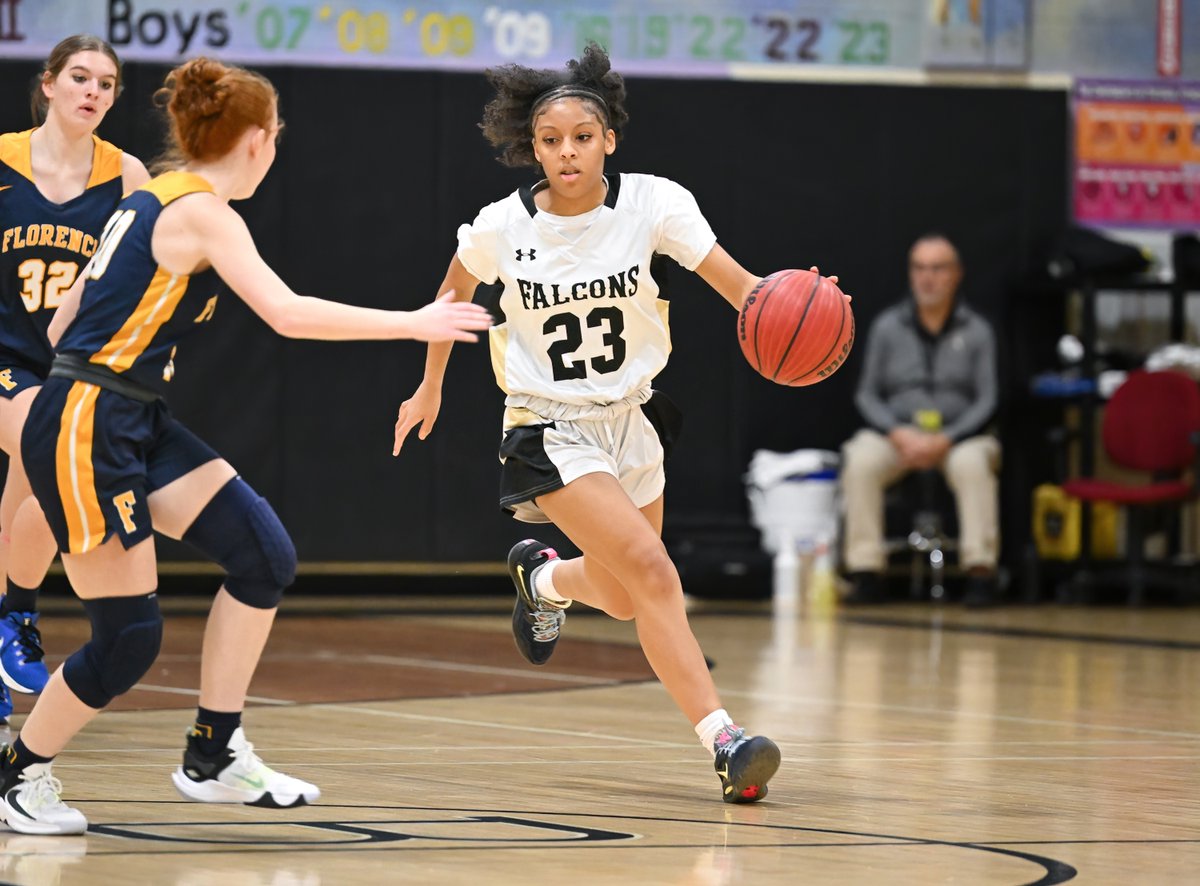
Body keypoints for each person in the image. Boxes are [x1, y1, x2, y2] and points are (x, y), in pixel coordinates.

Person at [0, 56, 492, 836]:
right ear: (259, 140)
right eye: (277, 136)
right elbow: (287, 314)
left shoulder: (150, 196)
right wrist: (414, 322)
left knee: (263, 556)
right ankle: (19, 776)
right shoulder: (202, 213)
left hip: (124, 411)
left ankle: (214, 751)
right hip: (90, 424)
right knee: (127, 639)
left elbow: (63, 324)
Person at [393, 44, 839, 804]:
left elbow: (743, 289)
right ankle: (726, 742)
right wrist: (428, 384)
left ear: (610, 139)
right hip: (547, 426)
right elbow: (452, 295)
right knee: (657, 575)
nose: (567, 153)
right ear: (531, 149)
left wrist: (797, 309)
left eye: (582, 137)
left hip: (632, 421)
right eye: (550, 140)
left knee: (626, 594)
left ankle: (543, 579)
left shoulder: (655, 205)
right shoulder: (501, 228)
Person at [0, 36, 150, 727]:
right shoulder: (2, 159)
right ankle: (17, 615)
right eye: (80, 77)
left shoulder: (127, 178)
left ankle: (7, 620)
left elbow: (149, 273)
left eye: (107, 83)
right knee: (42, 443)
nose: (93, 91)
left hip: (71, 363)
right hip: (5, 357)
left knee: (36, 485)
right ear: (49, 85)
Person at [840, 233, 1001, 607]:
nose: (928, 277)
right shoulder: (886, 327)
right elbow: (866, 393)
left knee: (974, 463)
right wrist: (896, 433)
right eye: (920, 268)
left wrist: (949, 437)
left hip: (958, 437)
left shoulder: (978, 330)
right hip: (898, 436)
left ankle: (980, 570)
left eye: (938, 268)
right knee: (860, 460)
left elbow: (988, 398)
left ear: (956, 275)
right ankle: (865, 570)